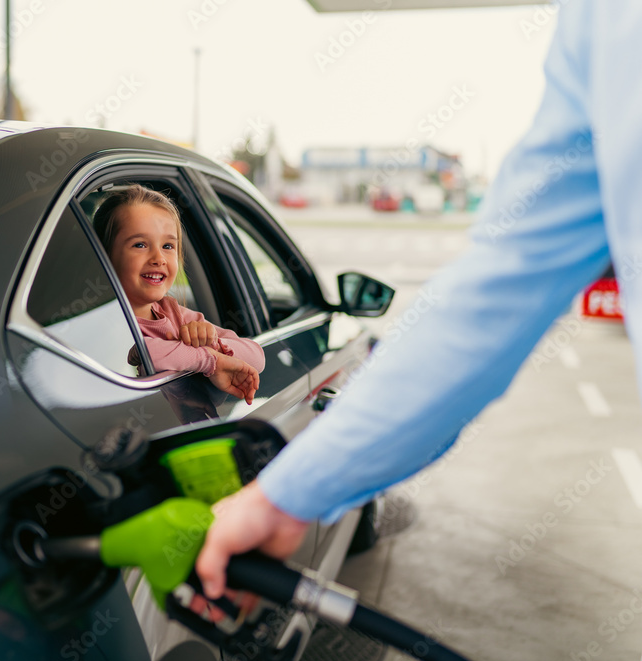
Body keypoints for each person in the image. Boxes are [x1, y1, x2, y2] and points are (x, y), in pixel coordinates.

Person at [196, 0, 641, 602]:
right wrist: (285, 495)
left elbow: (499, 291)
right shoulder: (600, 22)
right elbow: (504, 282)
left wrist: (285, 496)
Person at [93, 184, 265, 405]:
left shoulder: (176, 315)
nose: (158, 258)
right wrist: (211, 360)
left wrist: (211, 341)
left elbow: (256, 356)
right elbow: (145, 352)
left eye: (167, 245)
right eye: (140, 244)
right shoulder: (103, 323)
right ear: (104, 257)